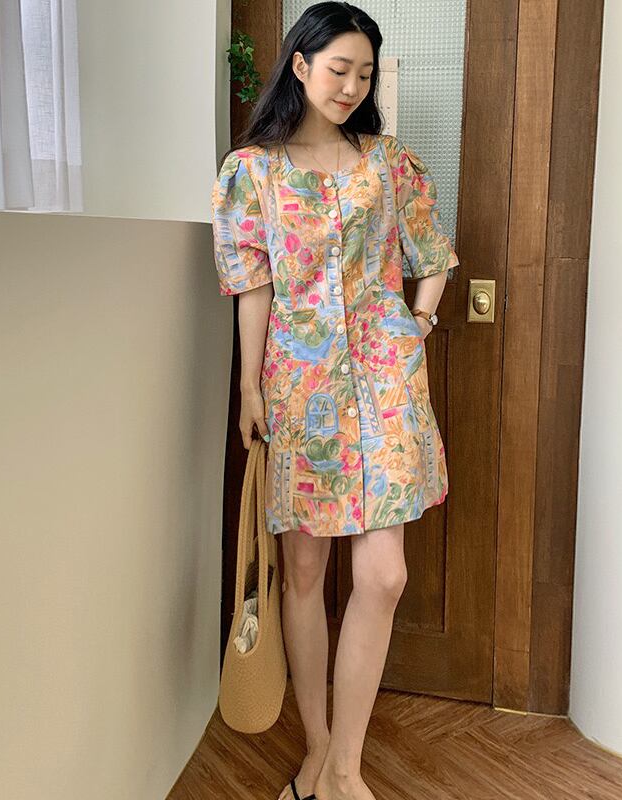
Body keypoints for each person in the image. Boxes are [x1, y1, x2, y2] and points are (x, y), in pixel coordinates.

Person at [210, 3, 459, 799]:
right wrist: (249, 387)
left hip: (386, 384)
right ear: (300, 65)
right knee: (305, 569)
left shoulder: (389, 163)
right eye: (338, 69)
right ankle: (319, 750)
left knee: (382, 576)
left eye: (364, 74)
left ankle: (347, 767)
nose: (351, 86)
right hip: (299, 389)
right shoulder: (252, 172)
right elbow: (252, 286)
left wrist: (417, 324)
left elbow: (433, 255)